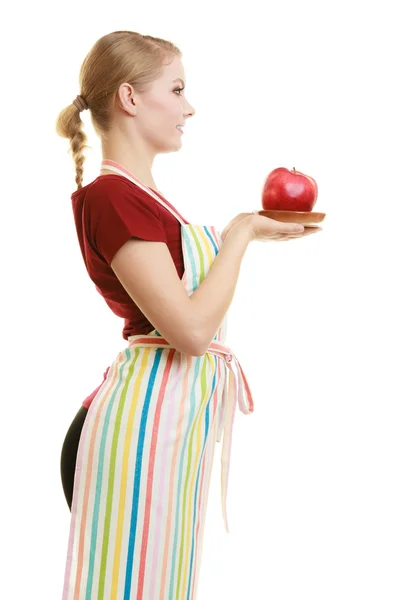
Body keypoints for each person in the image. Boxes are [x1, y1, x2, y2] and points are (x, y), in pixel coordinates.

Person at [56, 29, 320, 600]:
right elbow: (192, 331)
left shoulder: (144, 197)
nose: (189, 107)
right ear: (130, 98)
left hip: (169, 426)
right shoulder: (111, 198)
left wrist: (239, 235)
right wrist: (241, 234)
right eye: (176, 90)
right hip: (134, 432)